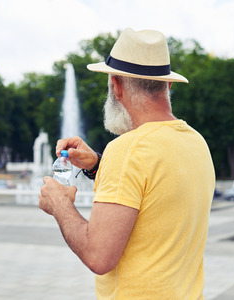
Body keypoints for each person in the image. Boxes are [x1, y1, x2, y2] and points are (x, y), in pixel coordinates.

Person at [39, 28, 215, 299]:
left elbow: (98, 256)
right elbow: (152, 197)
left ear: (116, 86)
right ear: (167, 85)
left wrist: (59, 204)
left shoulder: (126, 150)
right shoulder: (195, 142)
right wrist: (96, 165)